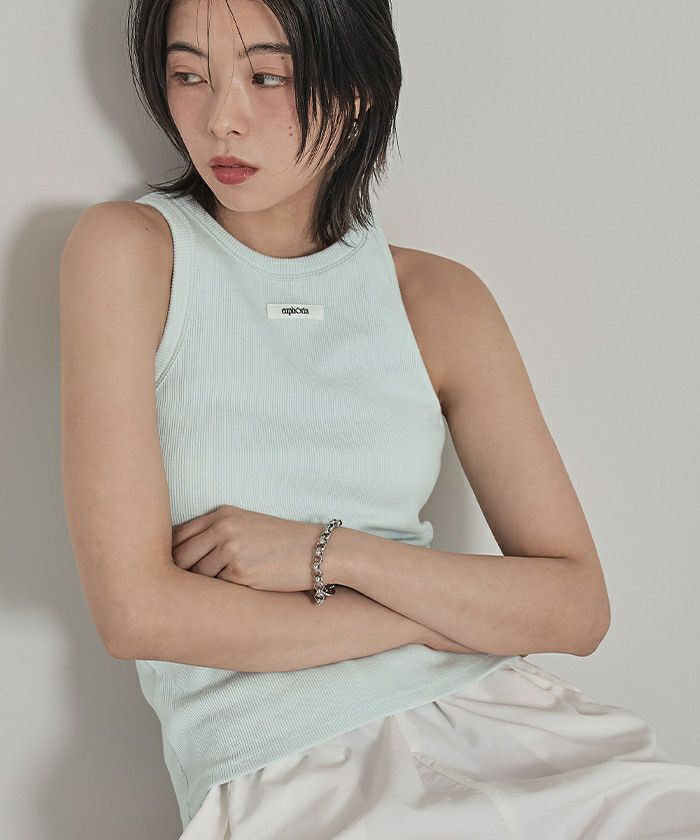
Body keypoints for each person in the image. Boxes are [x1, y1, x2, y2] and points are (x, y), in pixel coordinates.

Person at [59, 0, 700, 837]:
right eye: (189, 75)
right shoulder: (131, 253)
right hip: (286, 771)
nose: (221, 119)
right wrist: (442, 613)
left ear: (357, 88)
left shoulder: (439, 298)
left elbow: (577, 609)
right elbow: (137, 615)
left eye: (268, 77)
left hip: (506, 721)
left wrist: (328, 553)